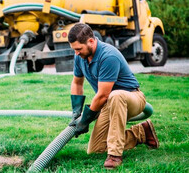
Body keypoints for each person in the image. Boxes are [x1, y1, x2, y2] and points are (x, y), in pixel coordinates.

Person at [67, 23, 159, 169]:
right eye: (74, 49)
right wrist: (76, 111)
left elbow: (103, 95)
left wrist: (85, 119)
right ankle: (141, 132)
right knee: (95, 149)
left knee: (115, 95)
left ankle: (115, 155)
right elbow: (77, 83)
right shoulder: (80, 56)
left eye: (79, 49)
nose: (76, 53)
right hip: (109, 103)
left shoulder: (108, 56)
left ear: (91, 41)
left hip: (131, 98)